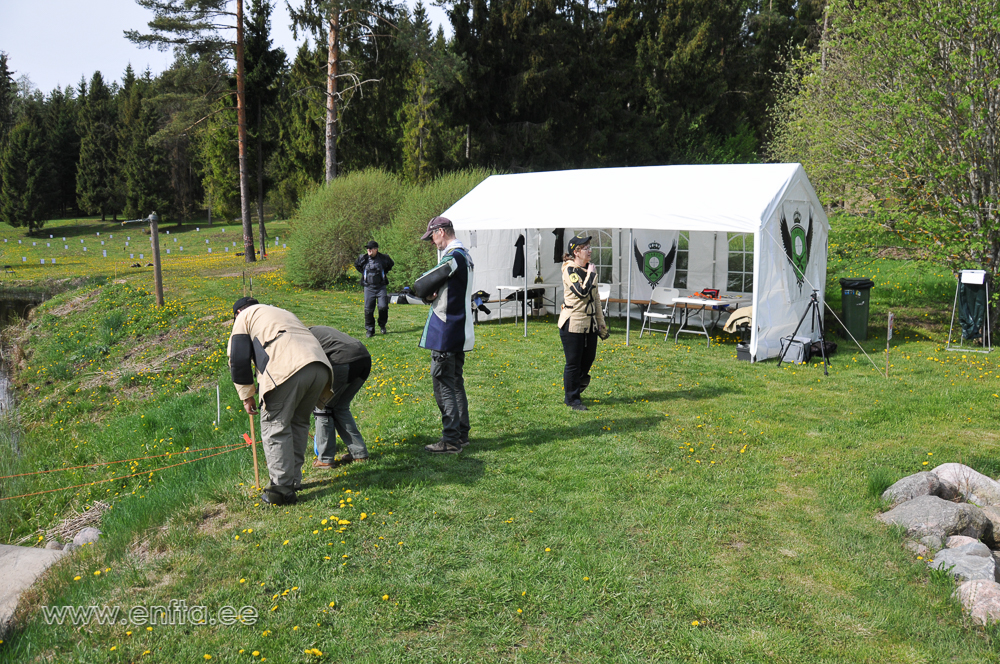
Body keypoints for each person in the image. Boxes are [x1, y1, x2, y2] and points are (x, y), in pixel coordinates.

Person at [228, 297, 333, 505]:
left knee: (274, 424)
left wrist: (246, 395)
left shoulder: (244, 317)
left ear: (238, 313)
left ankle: (281, 488)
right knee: (298, 423)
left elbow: (238, 358)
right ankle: (292, 480)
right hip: (319, 366)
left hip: (289, 366)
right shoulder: (279, 311)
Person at [415, 216, 474, 454]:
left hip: (446, 330)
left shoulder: (454, 256)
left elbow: (421, 284)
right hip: (460, 329)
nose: (432, 242)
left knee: (443, 384)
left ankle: (450, 440)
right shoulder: (466, 255)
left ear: (441, 231)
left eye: (432, 236)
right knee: (455, 382)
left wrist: (425, 294)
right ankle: (461, 434)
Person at [557, 234, 608, 411]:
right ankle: (572, 399)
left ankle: (575, 388)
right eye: (586, 248)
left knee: (588, 358)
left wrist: (600, 322)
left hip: (590, 323)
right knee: (573, 362)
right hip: (573, 323)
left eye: (589, 247)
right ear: (576, 252)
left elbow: (595, 299)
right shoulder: (569, 270)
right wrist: (591, 274)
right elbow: (582, 292)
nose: (590, 251)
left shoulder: (588, 269)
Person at [309, 325, 372, 467]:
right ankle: (359, 454)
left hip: (343, 361)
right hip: (364, 359)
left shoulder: (301, 338)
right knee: (340, 407)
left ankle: (325, 459)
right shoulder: (315, 330)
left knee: (323, 407)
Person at [354, 240, 395, 337]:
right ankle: (370, 329)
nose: (368, 250)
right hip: (368, 287)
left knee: (383, 307)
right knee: (368, 309)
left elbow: (390, 265)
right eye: (367, 248)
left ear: (376, 249)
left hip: (381, 287)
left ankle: (382, 325)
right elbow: (357, 265)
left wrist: (384, 273)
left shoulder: (384, 258)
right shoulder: (363, 258)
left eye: (370, 248)